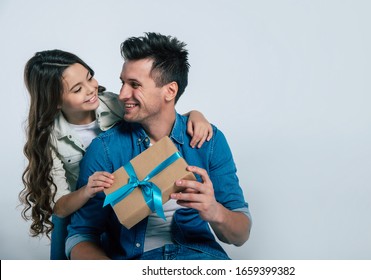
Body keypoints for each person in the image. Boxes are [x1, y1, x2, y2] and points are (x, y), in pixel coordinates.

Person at [66, 32, 251, 260]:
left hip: (200, 257)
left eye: (135, 85)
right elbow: (80, 235)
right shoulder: (105, 149)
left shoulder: (208, 141)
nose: (123, 94)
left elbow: (240, 234)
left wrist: (215, 211)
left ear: (170, 91)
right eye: (122, 82)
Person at [19, 49, 213, 260]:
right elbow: (60, 207)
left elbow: (158, 115)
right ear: (55, 101)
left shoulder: (112, 103)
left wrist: (195, 114)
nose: (90, 89)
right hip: (77, 207)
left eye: (89, 77)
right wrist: (87, 191)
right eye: (77, 89)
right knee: (66, 252)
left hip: (122, 197)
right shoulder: (49, 139)